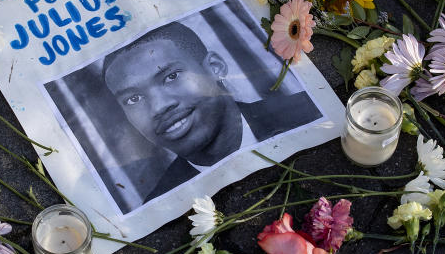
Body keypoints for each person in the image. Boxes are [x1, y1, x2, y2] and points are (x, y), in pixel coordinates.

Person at [101, 22, 321, 200]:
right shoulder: (162, 203)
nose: (158, 107)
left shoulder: (311, 114)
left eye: (171, 76)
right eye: (133, 99)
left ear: (215, 68)